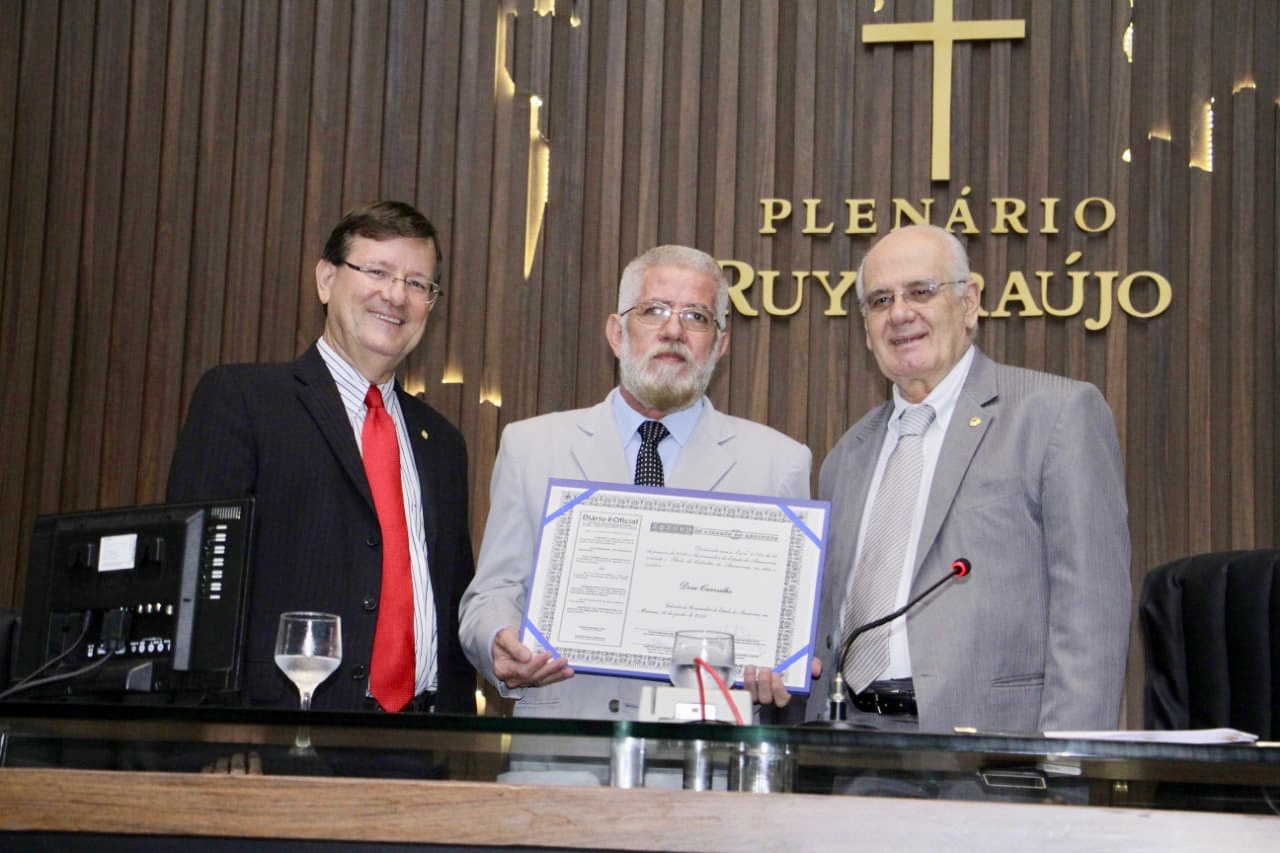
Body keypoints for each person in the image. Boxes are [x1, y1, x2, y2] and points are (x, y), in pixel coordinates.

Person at [459, 244, 813, 724]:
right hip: (564, 754)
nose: (674, 330)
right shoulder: (530, 446)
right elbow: (493, 591)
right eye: (655, 311)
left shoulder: (779, 464)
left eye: (697, 316)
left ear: (721, 345)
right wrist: (498, 637)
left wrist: (780, 666)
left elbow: (780, 634)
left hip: (706, 765)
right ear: (617, 332)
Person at [805, 224, 1130, 735]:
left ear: (970, 301)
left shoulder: (1054, 416)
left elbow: (1091, 616)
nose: (900, 314)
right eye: (880, 300)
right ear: (865, 327)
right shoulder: (845, 457)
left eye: (921, 291)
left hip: (994, 757)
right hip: (851, 749)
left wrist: (1067, 768)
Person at [167, 200, 475, 715]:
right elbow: (193, 588)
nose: (396, 295)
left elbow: (451, 602)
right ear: (326, 281)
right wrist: (212, 738)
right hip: (277, 739)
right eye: (377, 271)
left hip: (425, 744)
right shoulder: (243, 400)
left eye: (418, 284)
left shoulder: (442, 443)